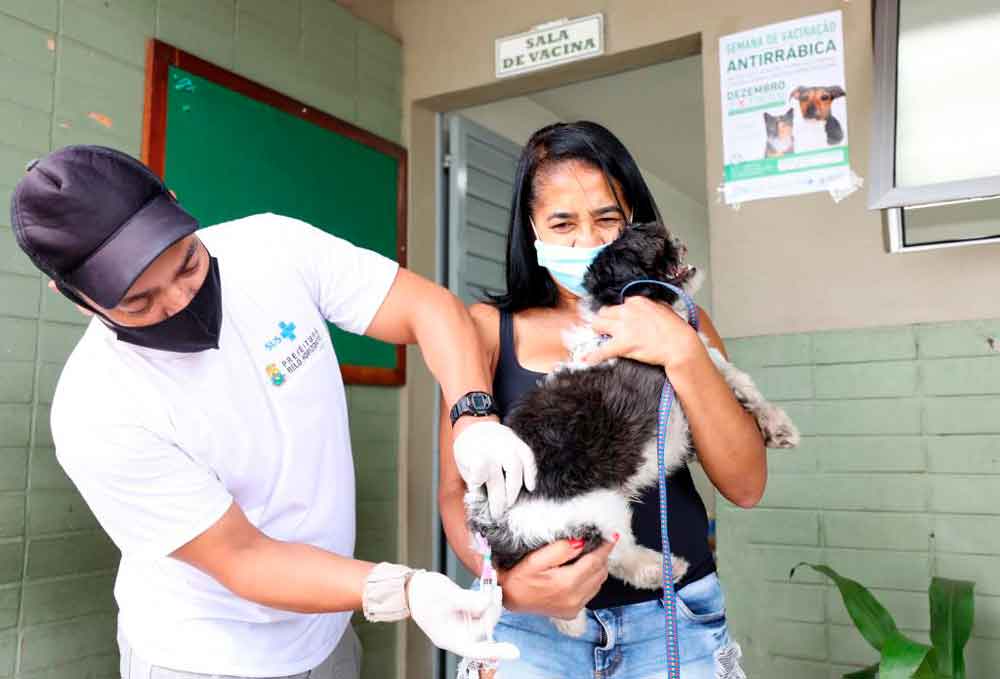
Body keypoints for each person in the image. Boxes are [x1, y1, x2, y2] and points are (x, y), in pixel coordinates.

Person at [9, 145, 532, 679]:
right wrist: (405, 590)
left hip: (326, 631)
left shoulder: (270, 246)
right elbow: (242, 557)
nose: (182, 300)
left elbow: (429, 308)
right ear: (73, 295)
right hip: (202, 656)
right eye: (139, 301)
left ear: (173, 203)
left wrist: (474, 418)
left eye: (187, 261)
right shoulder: (96, 410)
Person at [438, 122, 765, 678]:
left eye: (607, 218)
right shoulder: (487, 330)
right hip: (530, 631)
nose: (586, 240)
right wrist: (508, 583)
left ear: (634, 220)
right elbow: (455, 496)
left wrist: (682, 351)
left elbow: (745, 484)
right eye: (562, 223)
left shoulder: (681, 317)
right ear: (531, 229)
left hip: (674, 619)